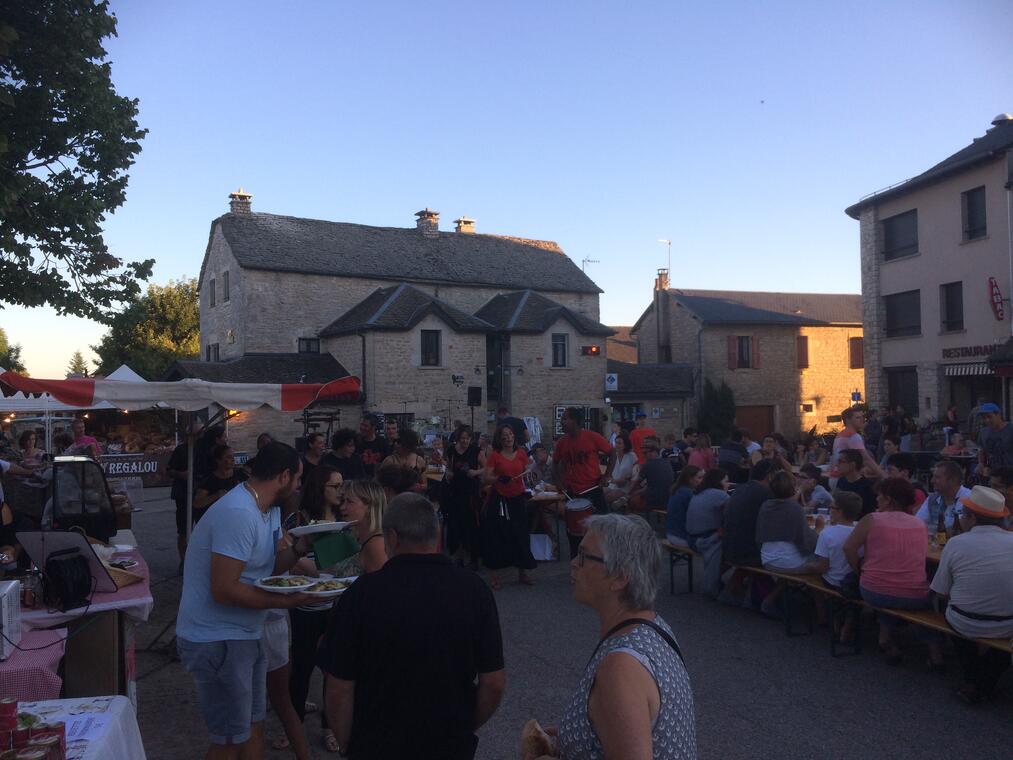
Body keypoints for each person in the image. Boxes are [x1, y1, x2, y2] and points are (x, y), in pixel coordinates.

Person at [318, 493, 505, 760]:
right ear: (436, 533)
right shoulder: (475, 590)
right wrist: (463, 726)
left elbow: (338, 687)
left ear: (392, 537)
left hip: (377, 744)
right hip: (449, 743)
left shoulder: (361, 595)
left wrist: (349, 744)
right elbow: (494, 683)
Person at [175, 442, 313, 759]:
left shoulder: (268, 510)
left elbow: (268, 567)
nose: (299, 486)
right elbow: (224, 588)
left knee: (253, 726)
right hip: (216, 638)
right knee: (229, 739)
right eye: (298, 478)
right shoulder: (238, 512)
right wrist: (287, 601)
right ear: (284, 476)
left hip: (245, 635)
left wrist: (299, 550)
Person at [527, 514, 696, 760]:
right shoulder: (654, 626)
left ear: (619, 577)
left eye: (584, 556)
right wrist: (576, 739)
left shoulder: (620, 668)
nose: (574, 562)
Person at [843, 477, 943, 667]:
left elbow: (849, 548)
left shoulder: (872, 519)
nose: (876, 500)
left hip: (874, 590)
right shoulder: (919, 525)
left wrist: (859, 571)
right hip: (914, 596)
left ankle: (885, 640)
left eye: (879, 496)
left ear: (888, 499)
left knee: (886, 588)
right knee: (924, 601)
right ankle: (935, 653)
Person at [284, 465, 347, 754]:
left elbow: (347, 562)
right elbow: (289, 556)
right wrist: (323, 568)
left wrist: (328, 569)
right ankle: (294, 724)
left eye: (341, 485)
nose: (340, 491)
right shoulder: (299, 518)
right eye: (335, 485)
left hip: (335, 604)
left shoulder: (344, 518)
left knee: (332, 669)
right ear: (320, 487)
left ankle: (329, 726)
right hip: (305, 604)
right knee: (302, 667)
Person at [930, 486, 1013, 704]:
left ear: (972, 518)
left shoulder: (956, 543)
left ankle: (973, 678)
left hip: (964, 620)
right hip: (1007, 624)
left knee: (950, 612)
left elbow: (940, 591)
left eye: (963, 514)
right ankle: (983, 681)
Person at [482, 424, 535, 589]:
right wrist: (498, 478)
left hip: (517, 497)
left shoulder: (521, 453)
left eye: (510, 434)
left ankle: (522, 572)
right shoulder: (495, 456)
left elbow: (527, 472)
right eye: (504, 435)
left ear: (514, 436)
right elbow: (486, 478)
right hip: (500, 499)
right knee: (497, 535)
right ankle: (494, 575)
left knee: (520, 533)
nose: (508, 438)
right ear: (500, 438)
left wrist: (530, 477)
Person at [552, 406, 612, 540]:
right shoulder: (562, 442)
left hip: (593, 490)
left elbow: (612, 453)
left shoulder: (592, 437)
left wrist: (607, 475)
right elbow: (555, 463)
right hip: (572, 493)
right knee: (574, 532)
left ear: (575, 421)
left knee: (601, 530)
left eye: (564, 419)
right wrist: (558, 482)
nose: (561, 422)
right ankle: (576, 558)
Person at [755, 470, 818, 573]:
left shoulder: (765, 506)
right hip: (790, 563)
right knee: (824, 557)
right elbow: (806, 541)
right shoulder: (795, 508)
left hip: (766, 559)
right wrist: (818, 530)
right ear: (792, 488)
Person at [685, 468, 730, 597]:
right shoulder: (720, 495)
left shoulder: (699, 493)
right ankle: (714, 585)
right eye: (726, 481)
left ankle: (720, 580)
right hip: (705, 540)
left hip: (690, 539)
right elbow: (735, 516)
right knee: (737, 547)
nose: (728, 484)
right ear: (718, 482)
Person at [722, 460, 775, 567]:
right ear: (770, 476)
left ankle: (735, 583)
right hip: (748, 554)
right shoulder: (766, 493)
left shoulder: (740, 489)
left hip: (728, 548)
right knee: (782, 556)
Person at [443, 426, 483, 566]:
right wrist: (448, 473)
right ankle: (458, 556)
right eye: (462, 438)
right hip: (455, 491)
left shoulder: (476, 451)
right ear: (458, 438)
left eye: (467, 438)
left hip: (470, 492)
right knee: (456, 525)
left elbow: (487, 467)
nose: (465, 441)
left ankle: (473, 557)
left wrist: (476, 472)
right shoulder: (451, 450)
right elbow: (448, 466)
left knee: (471, 525)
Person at [914, 460, 971, 537]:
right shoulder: (933, 498)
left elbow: (960, 528)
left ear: (952, 480)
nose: (932, 481)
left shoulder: (969, 498)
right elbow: (917, 524)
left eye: (937, 477)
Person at [193, 445, 245, 523]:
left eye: (232, 456)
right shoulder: (209, 479)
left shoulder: (240, 474)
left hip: (237, 519)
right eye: (228, 457)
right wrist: (216, 495)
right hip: (216, 521)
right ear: (218, 460)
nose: (233, 459)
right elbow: (197, 503)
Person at [629, 437, 673, 512]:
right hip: (668, 500)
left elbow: (636, 483)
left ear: (654, 452)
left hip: (653, 502)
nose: (644, 455)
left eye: (645, 453)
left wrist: (629, 493)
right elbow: (654, 485)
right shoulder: (666, 462)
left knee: (630, 500)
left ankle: (630, 521)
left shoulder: (648, 464)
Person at [665, 465, 702, 548]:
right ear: (690, 479)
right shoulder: (688, 493)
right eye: (699, 478)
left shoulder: (678, 489)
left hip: (671, 533)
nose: (702, 481)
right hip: (682, 537)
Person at [834, 449, 877, 516]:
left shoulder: (867, 487)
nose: (837, 464)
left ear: (852, 465)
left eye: (840, 462)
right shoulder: (841, 481)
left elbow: (869, 513)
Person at [977, 402, 1013, 476]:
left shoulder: (1010, 429)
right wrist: (981, 464)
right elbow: (981, 451)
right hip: (993, 474)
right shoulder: (983, 432)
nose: (987, 420)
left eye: (989, 416)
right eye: (984, 418)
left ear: (998, 415)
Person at [603, 431, 637, 507]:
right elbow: (609, 474)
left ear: (625, 445)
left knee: (609, 497)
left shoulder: (631, 456)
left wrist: (629, 478)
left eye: (619, 443)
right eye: (616, 443)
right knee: (600, 493)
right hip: (612, 484)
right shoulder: (612, 456)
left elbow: (636, 472)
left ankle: (609, 513)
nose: (616, 445)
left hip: (625, 487)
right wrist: (610, 480)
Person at [830, 406, 868, 473]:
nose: (862, 420)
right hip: (844, 477)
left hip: (836, 475)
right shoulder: (853, 436)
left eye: (862, 417)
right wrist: (883, 474)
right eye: (857, 418)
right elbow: (867, 460)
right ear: (848, 420)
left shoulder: (840, 435)